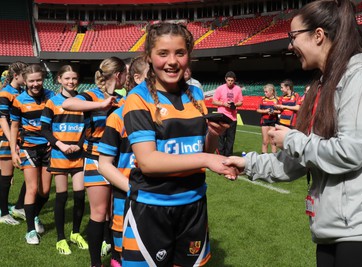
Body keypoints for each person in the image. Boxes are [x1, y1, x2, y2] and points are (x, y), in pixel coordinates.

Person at [223, 1, 362, 266]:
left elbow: (349, 152)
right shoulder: (324, 83)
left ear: (318, 35)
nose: (289, 46)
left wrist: (292, 139)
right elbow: (303, 158)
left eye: (292, 37)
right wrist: (247, 163)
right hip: (333, 231)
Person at [121, 22, 237, 266]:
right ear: (149, 57)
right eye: (163, 53)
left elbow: (200, 151)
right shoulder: (137, 99)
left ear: (189, 56)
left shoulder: (195, 96)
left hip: (193, 205)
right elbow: (148, 162)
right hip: (151, 207)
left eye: (180, 53)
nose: (172, 61)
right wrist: (207, 159)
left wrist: (213, 135)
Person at [62, 57, 126, 267]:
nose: (126, 78)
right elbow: (67, 103)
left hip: (119, 160)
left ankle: (116, 256)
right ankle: (95, 263)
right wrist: (101, 104)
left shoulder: (122, 98)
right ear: (117, 75)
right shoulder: (91, 95)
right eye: (125, 74)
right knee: (99, 212)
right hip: (95, 159)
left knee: (116, 211)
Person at [98, 56, 148, 267]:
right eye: (151, 76)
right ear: (137, 79)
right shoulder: (117, 117)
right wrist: (133, 188)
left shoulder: (163, 116)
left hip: (158, 199)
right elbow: (104, 164)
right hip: (127, 196)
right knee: (122, 255)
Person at [40, 65, 88, 255]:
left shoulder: (83, 101)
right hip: (60, 155)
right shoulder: (52, 103)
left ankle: (75, 233)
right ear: (59, 79)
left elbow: (87, 128)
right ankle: (61, 238)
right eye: (67, 78)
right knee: (61, 196)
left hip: (77, 154)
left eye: (74, 78)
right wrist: (59, 144)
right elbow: (44, 129)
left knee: (79, 195)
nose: (71, 82)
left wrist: (80, 144)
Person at [10, 64, 55, 244]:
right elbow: (14, 127)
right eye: (31, 81)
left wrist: (54, 140)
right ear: (25, 81)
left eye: (38, 80)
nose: (35, 84)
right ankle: (30, 231)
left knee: (44, 192)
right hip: (28, 148)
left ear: (43, 79)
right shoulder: (19, 100)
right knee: (32, 189)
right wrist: (14, 150)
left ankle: (34, 215)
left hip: (48, 148)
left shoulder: (51, 97)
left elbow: (57, 120)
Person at [0, 61, 28, 225]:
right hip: (7, 139)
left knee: (31, 173)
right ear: (16, 76)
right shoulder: (5, 93)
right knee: (6, 176)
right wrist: (12, 142)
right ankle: (3, 213)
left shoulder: (21, 92)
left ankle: (18, 206)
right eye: (25, 76)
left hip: (21, 137)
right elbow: (2, 120)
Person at [212, 71, 243, 156]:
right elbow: (214, 101)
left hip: (233, 118)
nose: (230, 82)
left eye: (232, 80)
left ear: (235, 80)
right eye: (228, 80)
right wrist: (223, 104)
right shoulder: (220, 88)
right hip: (222, 116)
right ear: (225, 79)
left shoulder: (238, 89)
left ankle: (228, 157)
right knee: (221, 138)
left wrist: (235, 104)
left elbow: (241, 102)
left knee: (230, 139)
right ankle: (220, 156)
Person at [256, 84, 278, 153]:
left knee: (273, 142)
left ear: (272, 91)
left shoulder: (277, 100)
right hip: (265, 122)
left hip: (273, 122)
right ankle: (263, 158)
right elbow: (258, 110)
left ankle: (274, 159)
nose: (265, 93)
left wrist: (273, 112)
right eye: (264, 92)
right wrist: (265, 111)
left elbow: (280, 111)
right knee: (265, 142)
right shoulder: (262, 99)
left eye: (266, 92)